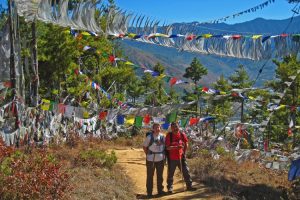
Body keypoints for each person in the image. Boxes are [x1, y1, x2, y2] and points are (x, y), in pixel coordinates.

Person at [165, 121, 196, 193]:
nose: (175, 128)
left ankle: (189, 186)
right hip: (172, 158)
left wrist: (184, 150)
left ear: (178, 126)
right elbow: (167, 148)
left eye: (176, 126)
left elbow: (186, 143)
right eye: (173, 127)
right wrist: (176, 147)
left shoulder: (182, 134)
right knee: (170, 174)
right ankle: (170, 188)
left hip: (181, 157)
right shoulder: (169, 135)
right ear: (171, 128)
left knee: (186, 172)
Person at [143, 123, 166, 197]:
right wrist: (148, 154)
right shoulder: (149, 137)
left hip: (160, 159)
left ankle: (160, 191)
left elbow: (165, 147)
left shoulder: (163, 137)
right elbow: (144, 147)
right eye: (156, 127)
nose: (157, 129)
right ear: (153, 129)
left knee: (160, 176)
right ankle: (149, 193)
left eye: (158, 127)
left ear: (160, 128)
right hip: (150, 160)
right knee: (150, 176)